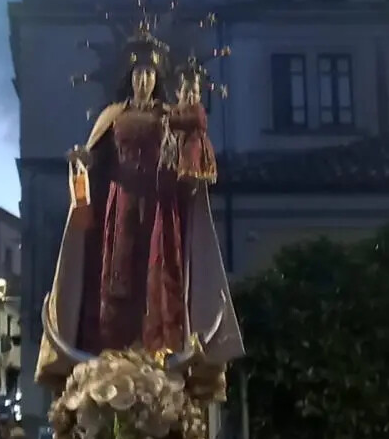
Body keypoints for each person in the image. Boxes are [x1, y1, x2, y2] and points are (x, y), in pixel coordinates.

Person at [36, 22, 243, 384]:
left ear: (158, 77)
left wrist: (192, 115)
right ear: (128, 77)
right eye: (138, 73)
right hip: (119, 207)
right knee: (116, 278)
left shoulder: (170, 116)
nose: (143, 80)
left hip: (162, 208)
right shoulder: (112, 116)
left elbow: (192, 148)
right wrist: (83, 159)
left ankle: (160, 352)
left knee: (159, 281)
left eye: (150, 73)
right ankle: (112, 356)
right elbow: (96, 162)